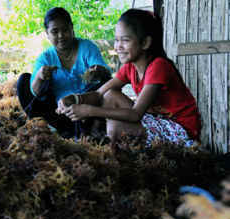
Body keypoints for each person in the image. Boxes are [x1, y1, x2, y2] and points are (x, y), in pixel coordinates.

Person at [57, 9, 201, 147]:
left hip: (181, 128)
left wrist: (89, 111)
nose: (118, 46)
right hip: (158, 121)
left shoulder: (158, 66)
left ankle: (119, 153)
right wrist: (74, 99)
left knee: (116, 128)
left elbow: (135, 114)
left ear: (145, 43)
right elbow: (99, 94)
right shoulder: (130, 67)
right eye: (116, 40)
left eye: (125, 40)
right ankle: (118, 148)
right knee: (110, 95)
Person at [17, 7, 111, 139]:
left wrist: (96, 71)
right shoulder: (45, 58)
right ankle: (61, 129)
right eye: (55, 32)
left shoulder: (86, 47)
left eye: (65, 30)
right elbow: (35, 93)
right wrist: (40, 77)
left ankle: (93, 125)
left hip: (89, 109)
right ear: (47, 34)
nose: (61, 36)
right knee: (23, 81)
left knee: (106, 81)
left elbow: (106, 75)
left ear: (72, 29)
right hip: (59, 113)